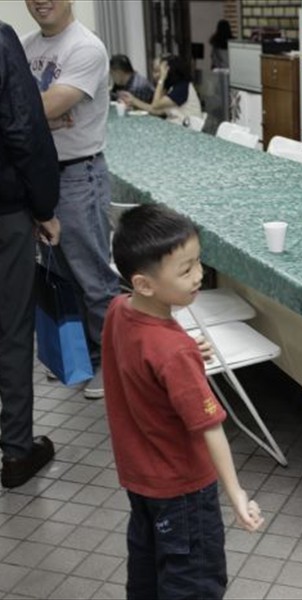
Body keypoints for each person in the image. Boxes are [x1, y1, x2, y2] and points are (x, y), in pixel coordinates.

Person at [104, 203, 264, 598]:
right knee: (193, 583)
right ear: (144, 284)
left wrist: (183, 349)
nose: (199, 275)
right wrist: (236, 494)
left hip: (141, 479)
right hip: (183, 489)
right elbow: (210, 428)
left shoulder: (119, 310)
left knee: (147, 575)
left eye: (198, 262)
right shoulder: (173, 352)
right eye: (185, 270)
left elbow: (144, 354)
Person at [22, 0, 120, 400]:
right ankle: (85, 357)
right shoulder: (25, 45)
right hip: (41, 175)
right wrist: (39, 118)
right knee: (60, 274)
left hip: (79, 175)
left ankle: (114, 365)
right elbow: (32, 110)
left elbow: (47, 105)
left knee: (93, 277)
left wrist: (35, 114)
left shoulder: (85, 47)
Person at [0, 20, 61, 488]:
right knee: (12, 329)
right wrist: (44, 207)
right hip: (4, 215)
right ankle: (17, 453)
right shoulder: (2, 41)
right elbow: (24, 129)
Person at [119, 54, 202, 125]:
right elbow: (156, 111)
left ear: (169, 70)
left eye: (159, 71)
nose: (154, 75)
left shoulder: (182, 87)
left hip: (189, 129)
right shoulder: (170, 87)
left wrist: (162, 79)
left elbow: (155, 105)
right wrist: (132, 100)